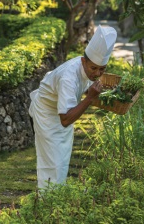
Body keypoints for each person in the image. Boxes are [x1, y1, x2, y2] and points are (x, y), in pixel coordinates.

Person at [29, 25, 117, 189]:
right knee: (51, 163)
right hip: (47, 113)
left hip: (63, 109)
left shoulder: (87, 69)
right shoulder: (69, 77)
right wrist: (90, 98)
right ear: (83, 61)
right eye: (94, 68)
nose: (97, 74)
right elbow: (65, 119)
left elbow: (83, 91)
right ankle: (46, 203)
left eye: (102, 69)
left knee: (61, 160)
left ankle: (56, 197)